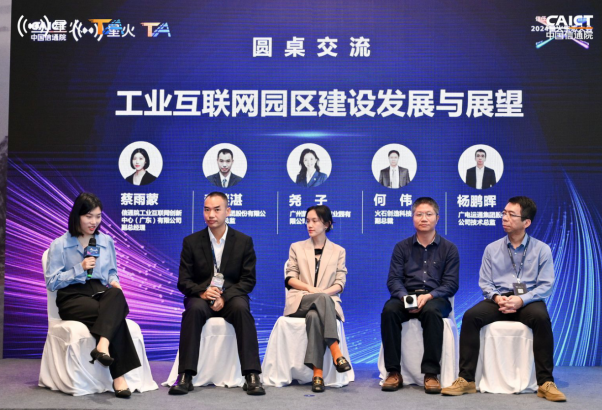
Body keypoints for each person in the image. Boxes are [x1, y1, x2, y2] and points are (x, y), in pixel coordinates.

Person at [442, 196, 566, 402]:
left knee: (541, 318)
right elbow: (485, 282)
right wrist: (497, 298)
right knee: (471, 316)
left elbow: (546, 285)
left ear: (526, 222)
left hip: (528, 300)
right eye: (504, 213)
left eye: (511, 215)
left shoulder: (542, 249)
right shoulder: (492, 249)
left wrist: (521, 300)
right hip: (499, 299)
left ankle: (545, 382)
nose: (505, 218)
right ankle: (466, 379)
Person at [44, 193, 141, 398]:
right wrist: (79, 268)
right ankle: (118, 377)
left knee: (116, 294)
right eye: (88, 216)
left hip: (99, 291)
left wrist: (114, 281)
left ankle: (102, 345)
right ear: (77, 216)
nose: (94, 222)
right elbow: (52, 282)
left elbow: (112, 272)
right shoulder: (59, 244)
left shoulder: (106, 241)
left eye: (98, 216)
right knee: (112, 317)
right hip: (72, 296)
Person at [169, 192, 265, 396]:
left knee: (242, 309)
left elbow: (248, 280)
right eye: (206, 209)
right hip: (201, 297)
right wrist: (203, 293)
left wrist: (224, 296)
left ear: (228, 211)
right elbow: (183, 281)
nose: (211, 215)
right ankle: (185, 375)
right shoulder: (191, 242)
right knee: (193, 310)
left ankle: (252, 375)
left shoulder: (243, 241)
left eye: (216, 209)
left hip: (231, 297)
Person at [381, 197, 459, 394]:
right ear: (412, 218)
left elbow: (451, 284)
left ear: (437, 218)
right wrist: (405, 298)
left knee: (432, 312)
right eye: (419, 214)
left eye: (428, 214)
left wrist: (430, 296)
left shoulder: (449, 249)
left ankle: (431, 374)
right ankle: (393, 372)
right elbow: (394, 280)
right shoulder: (401, 247)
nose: (424, 218)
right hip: (406, 296)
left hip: (435, 298)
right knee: (389, 311)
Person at [284, 205, 351, 393]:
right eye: (307, 221)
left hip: (326, 302)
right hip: (300, 300)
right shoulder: (296, 247)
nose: (310, 225)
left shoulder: (338, 251)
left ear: (327, 224)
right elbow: (290, 278)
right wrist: (310, 289)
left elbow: (340, 283)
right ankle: (336, 352)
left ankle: (317, 374)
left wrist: (323, 294)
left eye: (314, 221)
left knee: (314, 316)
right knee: (319, 301)